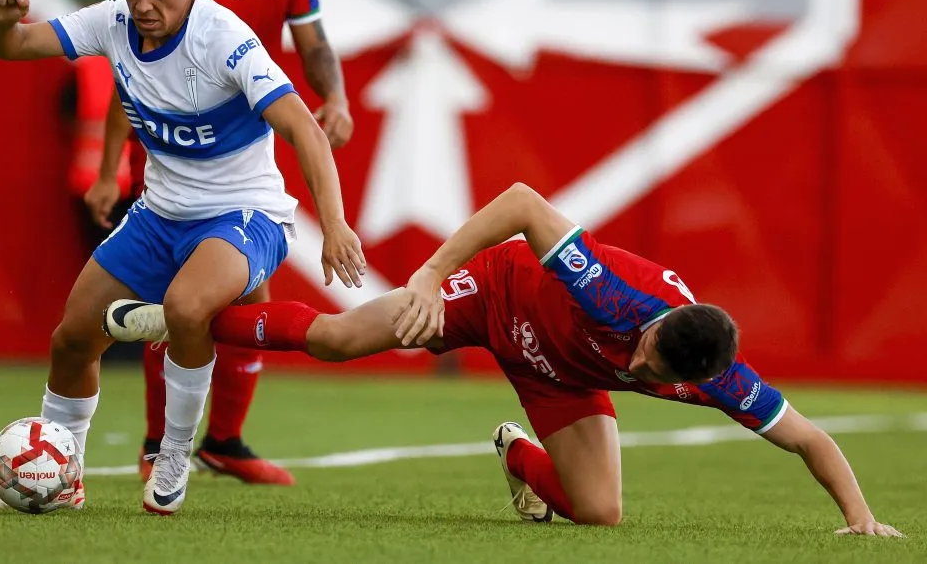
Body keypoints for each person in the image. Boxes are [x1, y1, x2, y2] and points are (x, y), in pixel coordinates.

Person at [105, 183, 902, 535]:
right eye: (648, 353)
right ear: (662, 322)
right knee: (337, 340)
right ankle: (178, 319)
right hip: (494, 293)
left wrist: (860, 519)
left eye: (654, 375)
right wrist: (425, 275)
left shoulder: (718, 379)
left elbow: (808, 437)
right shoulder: (618, 296)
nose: (642, 366)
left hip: (557, 376)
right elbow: (521, 202)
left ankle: (517, 456)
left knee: (600, 514)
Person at [0, 0, 365, 515]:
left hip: (245, 214)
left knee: (188, 309)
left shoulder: (226, 39)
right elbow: (14, 47)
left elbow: (305, 132)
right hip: (159, 215)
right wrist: (3, 24)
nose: (143, 5)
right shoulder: (111, 22)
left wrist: (336, 224)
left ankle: (174, 453)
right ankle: (66, 472)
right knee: (71, 339)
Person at [84, 0, 352, 487]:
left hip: (244, 164)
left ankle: (221, 441)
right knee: (186, 298)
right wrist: (108, 170)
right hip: (176, 168)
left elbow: (313, 43)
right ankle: (164, 445)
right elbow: (135, 78)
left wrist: (333, 97)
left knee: (234, 296)